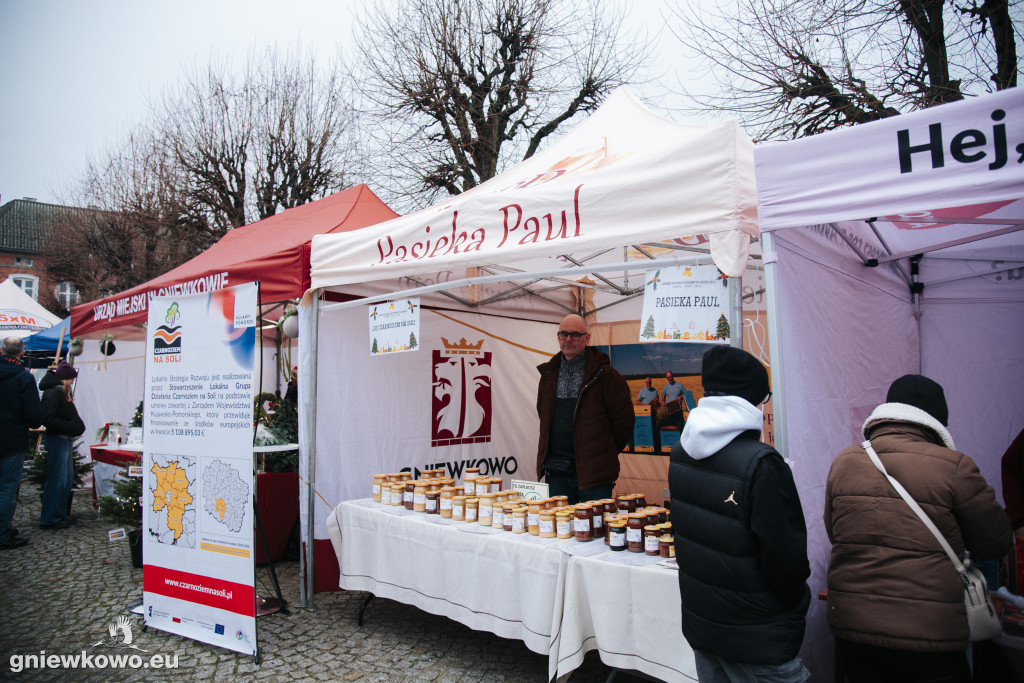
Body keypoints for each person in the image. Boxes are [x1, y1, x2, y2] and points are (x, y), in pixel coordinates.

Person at [825, 374, 1012, 683]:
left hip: (853, 623)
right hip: (930, 630)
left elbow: (836, 534)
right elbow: (995, 543)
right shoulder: (954, 465)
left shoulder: (845, 460)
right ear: (936, 423)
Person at [669, 346, 810, 682]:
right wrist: (794, 606)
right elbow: (786, 562)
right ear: (753, 401)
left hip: (704, 625)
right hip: (757, 637)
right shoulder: (763, 464)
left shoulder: (681, 453)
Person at [536, 314, 633, 504]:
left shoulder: (607, 376)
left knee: (593, 531)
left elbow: (624, 424)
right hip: (557, 473)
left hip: (594, 476)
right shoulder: (547, 375)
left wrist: (602, 453)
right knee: (560, 530)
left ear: (587, 338)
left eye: (575, 334)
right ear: (558, 337)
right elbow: (543, 413)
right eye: (564, 334)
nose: (568, 339)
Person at [0, 336, 42, 549]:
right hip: (11, 438)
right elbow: (34, 414)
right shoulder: (23, 377)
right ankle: (2, 533)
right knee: (7, 487)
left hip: (10, 436)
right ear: (21, 353)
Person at [38, 361, 86, 530]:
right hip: (58, 438)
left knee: (64, 479)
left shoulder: (59, 392)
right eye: (71, 379)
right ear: (65, 378)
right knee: (57, 480)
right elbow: (48, 419)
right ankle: (50, 517)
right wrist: (72, 427)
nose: (73, 382)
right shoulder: (53, 393)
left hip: (63, 438)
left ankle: (59, 514)